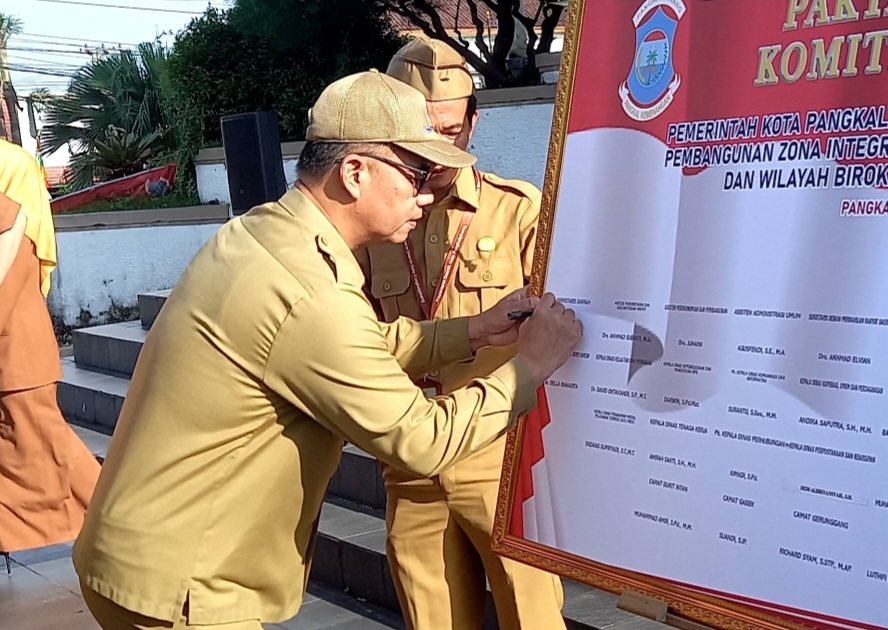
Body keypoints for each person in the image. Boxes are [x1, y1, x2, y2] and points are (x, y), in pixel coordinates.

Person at [72, 69, 582, 630]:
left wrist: (474, 330)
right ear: (355, 173)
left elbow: (359, 344)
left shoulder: (265, 233)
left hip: (145, 556)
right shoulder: (309, 289)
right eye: (415, 172)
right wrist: (530, 365)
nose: (425, 193)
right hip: (185, 586)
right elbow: (420, 438)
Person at [355, 39, 566, 630]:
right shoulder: (371, 224)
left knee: (532, 615)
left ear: (473, 122)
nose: (439, 148)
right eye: (422, 132)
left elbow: (560, 329)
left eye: (452, 130)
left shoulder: (518, 211)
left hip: (501, 460)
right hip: (409, 462)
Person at [0, 140, 101, 569]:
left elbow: (9, 271)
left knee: (50, 452)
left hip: (17, 349)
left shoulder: (12, 176)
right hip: (15, 348)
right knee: (39, 451)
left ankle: (125, 521)